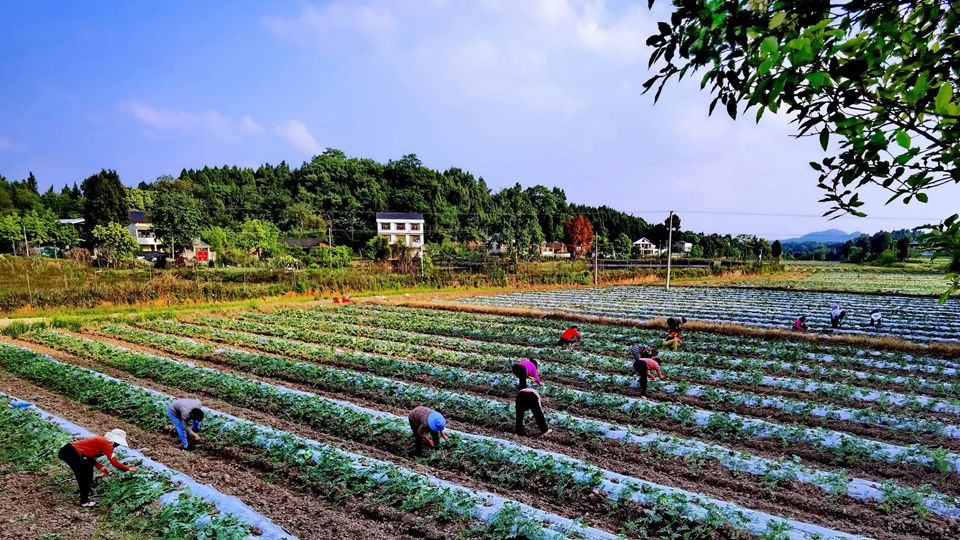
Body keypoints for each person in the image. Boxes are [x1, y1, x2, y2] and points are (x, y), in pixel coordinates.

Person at [58, 429, 138, 507]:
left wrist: (101, 468)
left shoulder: (102, 441)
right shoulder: (106, 443)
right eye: (118, 443)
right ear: (115, 441)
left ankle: (84, 494)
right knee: (85, 474)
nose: (118, 445)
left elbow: (89, 457)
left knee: (86, 471)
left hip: (68, 451)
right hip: (69, 452)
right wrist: (128, 468)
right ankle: (84, 500)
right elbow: (114, 461)